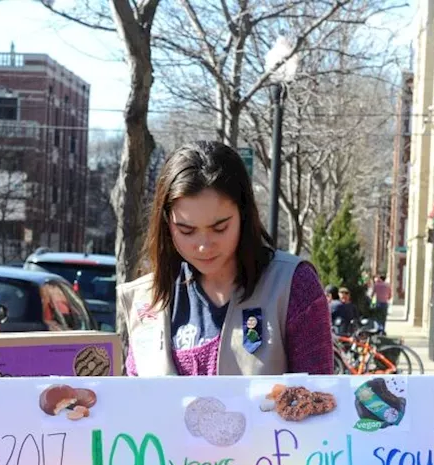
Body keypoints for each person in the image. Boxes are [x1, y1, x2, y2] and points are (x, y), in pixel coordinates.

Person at [117, 141, 334, 376]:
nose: (203, 246)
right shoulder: (146, 299)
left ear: (244, 214)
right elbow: (135, 399)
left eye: (220, 228)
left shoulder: (293, 285)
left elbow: (318, 400)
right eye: (186, 230)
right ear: (166, 223)